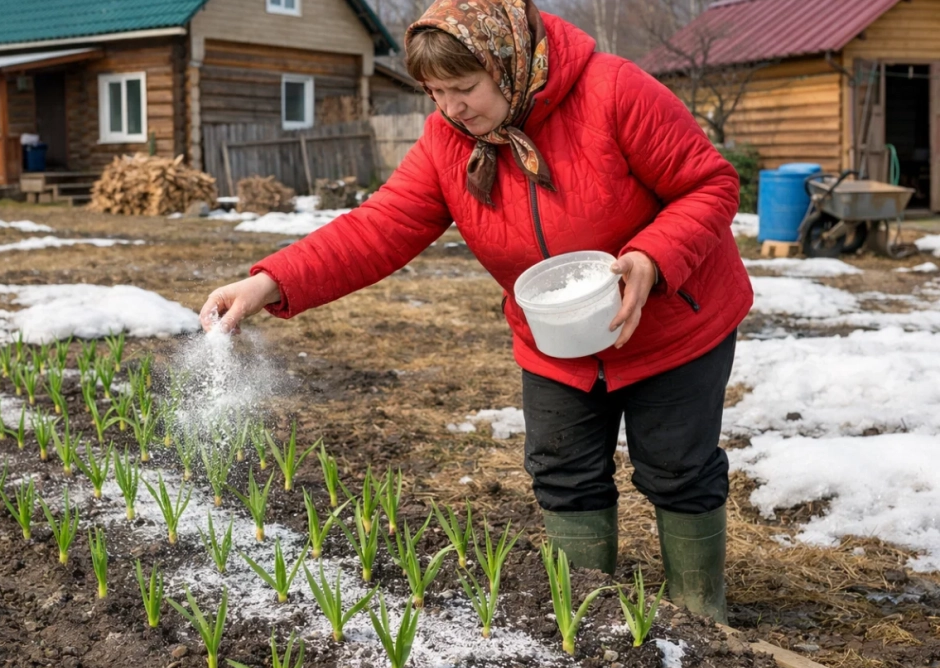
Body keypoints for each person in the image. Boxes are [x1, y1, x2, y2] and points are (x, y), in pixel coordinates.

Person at [199, 0, 752, 625]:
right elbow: (380, 226)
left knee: (678, 469)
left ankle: (701, 618)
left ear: (508, 63)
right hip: (557, 340)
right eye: (435, 93)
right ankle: (588, 624)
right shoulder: (448, 140)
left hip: (673, 326)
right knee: (564, 473)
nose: (451, 108)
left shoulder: (613, 91)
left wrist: (652, 255)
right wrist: (270, 282)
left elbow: (709, 185)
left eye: (464, 88)